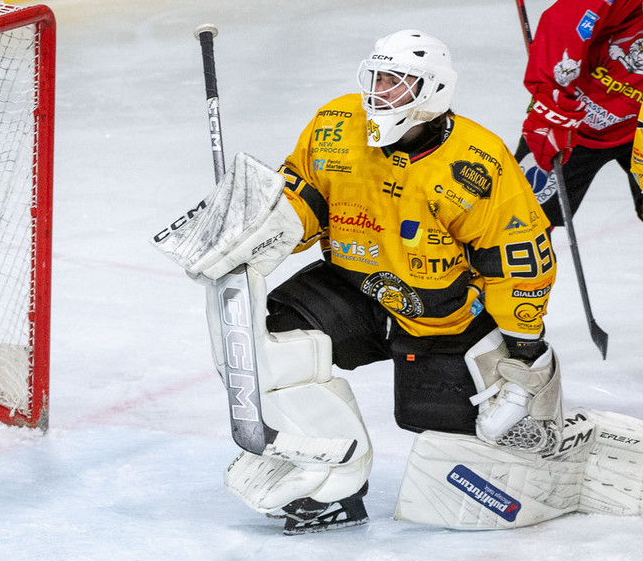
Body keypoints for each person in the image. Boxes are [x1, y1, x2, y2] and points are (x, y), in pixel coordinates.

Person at [154, 30, 570, 533]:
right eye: (377, 77)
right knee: (273, 342)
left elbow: (515, 259)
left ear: (434, 91)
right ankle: (337, 483)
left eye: (397, 82)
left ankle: (536, 433)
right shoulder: (336, 124)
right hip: (354, 286)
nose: (380, 91)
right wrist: (251, 229)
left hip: (443, 315)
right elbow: (304, 197)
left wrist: (525, 353)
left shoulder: (476, 161)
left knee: (463, 434)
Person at [515, 0, 643, 226]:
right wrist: (551, 106)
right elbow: (568, 25)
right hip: (578, 116)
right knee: (520, 225)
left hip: (639, 121)